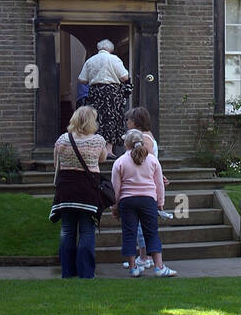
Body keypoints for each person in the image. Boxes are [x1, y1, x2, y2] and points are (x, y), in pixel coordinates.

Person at [49, 105, 109, 279]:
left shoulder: (62, 139)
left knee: (67, 230)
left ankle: (67, 271)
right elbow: (102, 159)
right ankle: (86, 272)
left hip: (66, 190)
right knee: (87, 231)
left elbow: (56, 164)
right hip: (88, 191)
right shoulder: (98, 140)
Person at [111, 128, 177, 277]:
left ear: (126, 144)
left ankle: (133, 268)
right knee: (152, 233)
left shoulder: (120, 162)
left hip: (127, 201)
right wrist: (160, 202)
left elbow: (116, 187)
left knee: (129, 233)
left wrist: (114, 206)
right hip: (148, 200)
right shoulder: (152, 160)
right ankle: (159, 267)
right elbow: (159, 183)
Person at [121, 106, 172, 270]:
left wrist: (159, 177)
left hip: (143, 187)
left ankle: (144, 257)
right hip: (146, 185)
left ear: (134, 122)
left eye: (128, 120)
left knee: (142, 228)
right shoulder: (146, 136)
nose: (126, 123)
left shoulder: (143, 139)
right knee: (143, 227)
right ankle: (145, 257)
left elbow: (146, 161)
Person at [78, 39, 130, 155]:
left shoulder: (90, 61)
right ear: (110, 49)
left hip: (95, 92)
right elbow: (125, 77)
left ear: (99, 48)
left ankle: (96, 149)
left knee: (96, 119)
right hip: (112, 93)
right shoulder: (114, 59)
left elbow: (82, 79)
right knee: (111, 119)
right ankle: (109, 150)